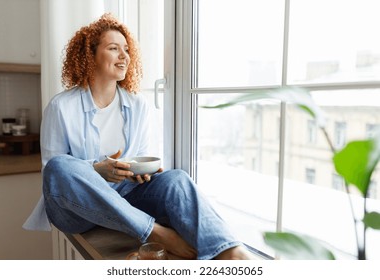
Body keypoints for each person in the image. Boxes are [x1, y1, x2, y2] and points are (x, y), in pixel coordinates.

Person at [23, 13, 253, 260]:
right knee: (60, 166)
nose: (124, 56)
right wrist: (97, 170)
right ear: (90, 56)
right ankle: (153, 231)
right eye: (113, 48)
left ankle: (231, 250)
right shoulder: (62, 106)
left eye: (126, 49)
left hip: (126, 196)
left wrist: (142, 172)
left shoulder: (137, 105)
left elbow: (139, 157)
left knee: (177, 179)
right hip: (77, 211)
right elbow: (53, 175)